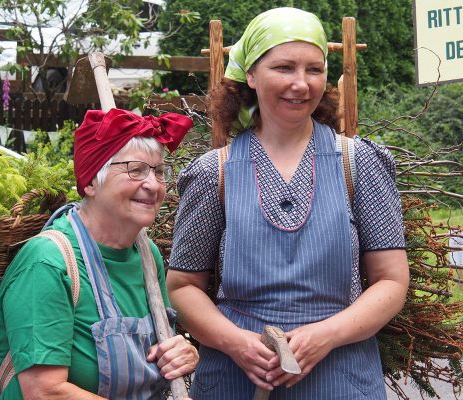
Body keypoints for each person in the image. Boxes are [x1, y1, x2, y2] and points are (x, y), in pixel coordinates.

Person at [167, 7, 410, 400]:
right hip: (236, 381)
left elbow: (392, 281)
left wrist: (326, 336)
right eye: (284, 68)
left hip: (341, 378)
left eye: (314, 70)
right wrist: (237, 344)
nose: (301, 84)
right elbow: (182, 286)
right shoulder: (216, 172)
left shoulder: (359, 164)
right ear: (251, 75)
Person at [0, 108, 198, 399]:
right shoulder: (49, 262)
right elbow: (44, 392)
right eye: (135, 170)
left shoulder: (146, 255)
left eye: (159, 171)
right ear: (90, 182)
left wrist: (181, 353)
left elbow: (161, 349)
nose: (152, 185)